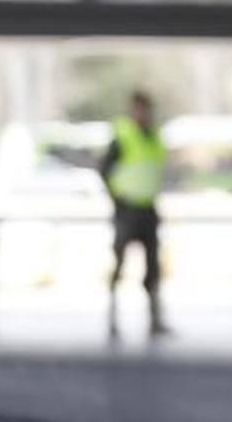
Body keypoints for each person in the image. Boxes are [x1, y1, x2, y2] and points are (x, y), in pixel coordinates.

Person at [99, 90, 169, 337]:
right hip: (127, 209)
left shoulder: (155, 137)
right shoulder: (123, 136)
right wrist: (117, 199)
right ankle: (112, 318)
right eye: (139, 109)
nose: (143, 114)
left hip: (148, 208)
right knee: (119, 264)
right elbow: (104, 170)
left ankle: (155, 319)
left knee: (153, 267)